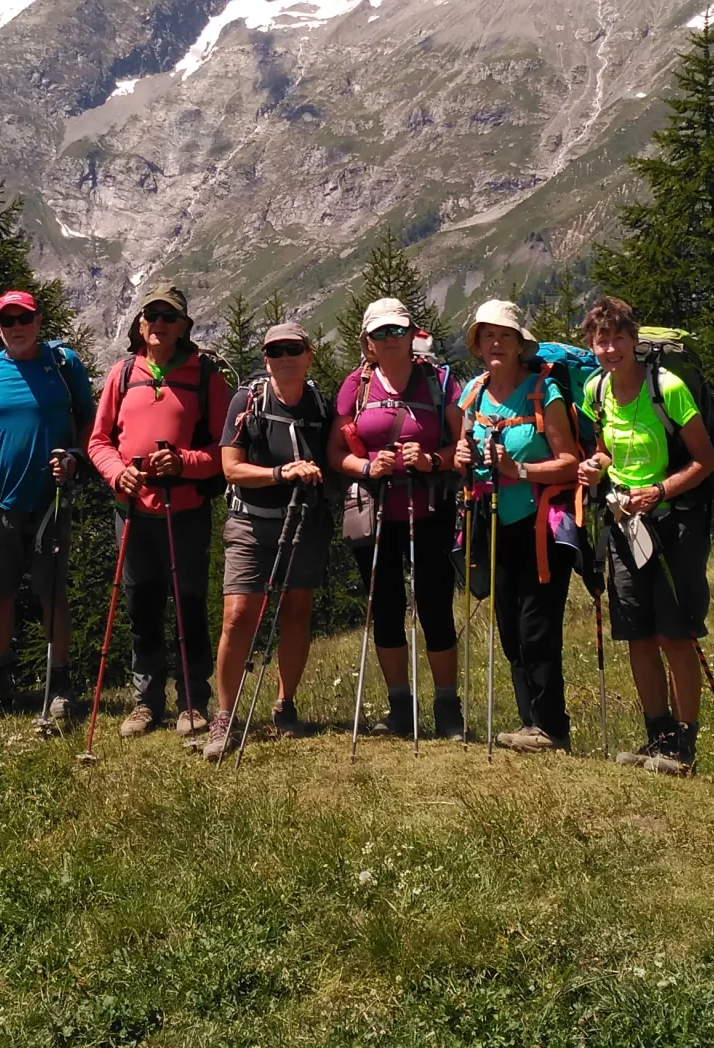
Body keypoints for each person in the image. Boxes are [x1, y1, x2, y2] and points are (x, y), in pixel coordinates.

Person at [574, 296, 714, 777]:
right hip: (624, 524)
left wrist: (658, 491)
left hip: (674, 522)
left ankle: (684, 745)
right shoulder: (595, 391)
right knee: (637, 634)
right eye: (601, 340)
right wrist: (596, 468)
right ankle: (657, 739)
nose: (610, 348)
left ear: (634, 340)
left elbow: (704, 460)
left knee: (674, 634)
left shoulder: (668, 387)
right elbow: (606, 452)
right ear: (591, 346)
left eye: (618, 338)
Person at [0, 290, 97, 729]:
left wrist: (75, 457)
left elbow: (89, 420)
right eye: (7, 321)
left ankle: (60, 687)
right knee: (0, 592)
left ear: (37, 319)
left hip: (52, 500)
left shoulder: (63, 364)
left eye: (23, 318)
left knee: (52, 592)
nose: (16, 327)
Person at [88, 282, 232, 740]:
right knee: (142, 605)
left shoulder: (205, 376)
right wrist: (117, 474)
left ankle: (193, 701)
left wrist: (185, 462)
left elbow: (227, 451)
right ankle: (145, 702)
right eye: (152, 315)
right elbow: (98, 442)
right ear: (140, 323)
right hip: (131, 509)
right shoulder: (121, 374)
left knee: (189, 605)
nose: (159, 323)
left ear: (184, 326)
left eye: (169, 317)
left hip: (184, 510)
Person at [452, 298, 583, 754]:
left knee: (536, 624)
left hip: (542, 523)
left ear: (519, 343)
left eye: (505, 335)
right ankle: (532, 722)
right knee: (509, 622)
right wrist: (460, 458)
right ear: (477, 344)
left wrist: (519, 471)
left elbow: (570, 463)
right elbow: (460, 452)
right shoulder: (472, 394)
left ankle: (551, 726)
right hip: (492, 524)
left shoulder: (543, 393)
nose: (495, 342)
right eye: (487, 335)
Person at [332, 298, 466, 741]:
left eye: (397, 331)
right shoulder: (357, 386)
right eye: (380, 334)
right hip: (375, 513)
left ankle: (448, 706)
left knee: (435, 607)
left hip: (429, 509)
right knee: (385, 611)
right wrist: (368, 468)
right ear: (367, 343)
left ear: (412, 335)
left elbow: (462, 449)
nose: (390, 340)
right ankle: (400, 707)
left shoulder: (440, 381)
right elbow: (335, 453)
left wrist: (430, 459)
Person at [205, 321, 335, 760]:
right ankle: (224, 716)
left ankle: (285, 704)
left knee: (296, 610)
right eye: (275, 351)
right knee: (239, 614)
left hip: (305, 522)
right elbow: (231, 468)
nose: (284, 357)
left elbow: (335, 456)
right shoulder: (247, 401)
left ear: (308, 354)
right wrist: (283, 473)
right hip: (251, 522)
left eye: (292, 349)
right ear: (265, 360)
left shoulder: (319, 404)